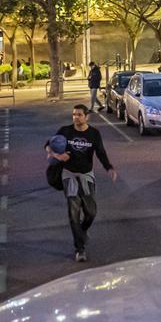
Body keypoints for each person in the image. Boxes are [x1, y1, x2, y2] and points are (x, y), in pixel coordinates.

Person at [45, 105, 117, 262]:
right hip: (68, 175)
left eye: (79, 115)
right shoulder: (65, 131)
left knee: (91, 212)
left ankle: (82, 231)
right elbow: (48, 145)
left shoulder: (93, 134)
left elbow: (101, 152)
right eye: (73, 115)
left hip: (86, 176)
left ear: (86, 116)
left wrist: (109, 168)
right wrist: (57, 156)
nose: (76, 117)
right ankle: (80, 249)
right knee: (73, 212)